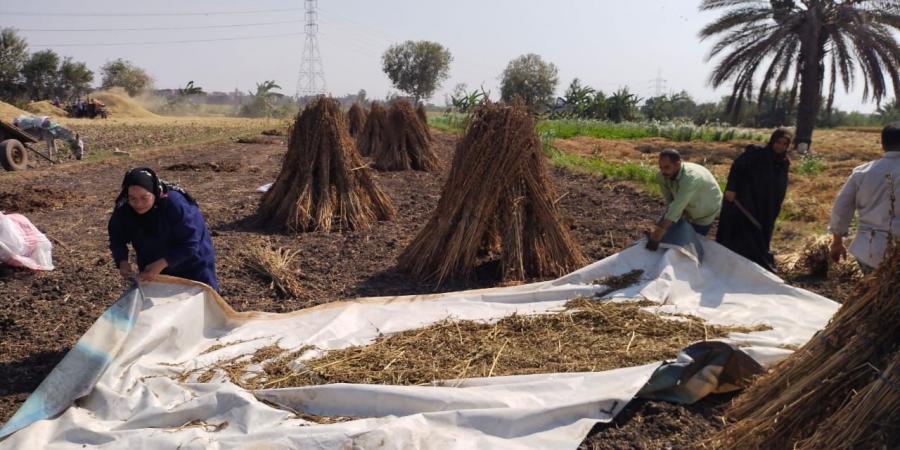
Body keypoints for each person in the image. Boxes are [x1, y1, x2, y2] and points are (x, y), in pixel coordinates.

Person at [108, 167, 219, 291]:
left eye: (144, 198)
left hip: (192, 262)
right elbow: (117, 238)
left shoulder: (174, 204)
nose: (138, 204)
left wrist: (162, 263)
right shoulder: (124, 208)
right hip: (152, 260)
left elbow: (190, 243)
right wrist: (122, 260)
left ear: (154, 192)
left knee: (198, 302)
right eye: (132, 198)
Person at [715, 128, 792, 271]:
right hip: (745, 199)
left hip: (767, 204)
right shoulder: (756, 154)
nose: (780, 146)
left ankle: (754, 260)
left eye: (784, 144)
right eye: (778, 142)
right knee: (740, 229)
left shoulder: (783, 162)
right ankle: (731, 261)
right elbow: (737, 167)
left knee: (760, 230)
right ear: (772, 141)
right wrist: (731, 188)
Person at [829, 123, 900, 273]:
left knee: (875, 293)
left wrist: (837, 241)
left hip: (868, 248)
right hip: (895, 249)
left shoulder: (862, 172)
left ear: (882, 144)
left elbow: (841, 207)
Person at [647, 149, 723, 249]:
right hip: (686, 206)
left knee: (691, 244)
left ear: (678, 164)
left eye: (667, 167)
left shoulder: (690, 178)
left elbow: (678, 205)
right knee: (671, 233)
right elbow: (671, 203)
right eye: (660, 167)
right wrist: (663, 227)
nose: (663, 171)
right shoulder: (662, 176)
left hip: (705, 209)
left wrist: (657, 234)